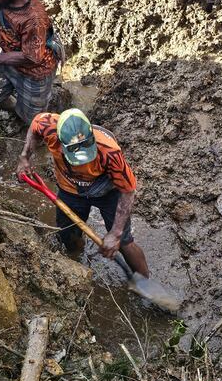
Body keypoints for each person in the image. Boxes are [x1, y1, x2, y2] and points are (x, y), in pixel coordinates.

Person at [16, 109, 150, 277]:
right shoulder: (48, 126)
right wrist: (24, 157)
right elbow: (35, 125)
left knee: (124, 242)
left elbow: (128, 191)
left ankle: (145, 282)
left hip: (107, 191)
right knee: (67, 234)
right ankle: (77, 262)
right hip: (70, 189)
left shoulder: (109, 151)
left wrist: (115, 234)